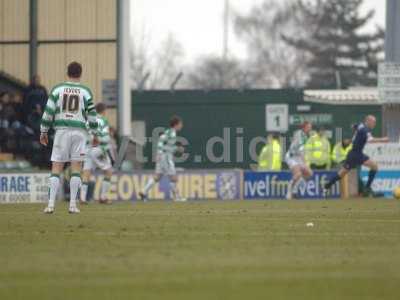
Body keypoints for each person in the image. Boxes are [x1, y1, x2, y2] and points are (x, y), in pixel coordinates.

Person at [40, 61, 98, 214]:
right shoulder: (85, 91)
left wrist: (43, 131)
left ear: (67, 72)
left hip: (62, 131)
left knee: (57, 167)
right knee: (76, 168)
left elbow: (48, 112)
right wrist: (95, 133)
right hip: (79, 132)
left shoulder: (58, 89)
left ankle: (51, 205)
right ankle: (72, 205)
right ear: (81, 73)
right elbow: (92, 116)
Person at [324, 115, 389, 196]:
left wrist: (355, 130)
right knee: (374, 166)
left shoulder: (361, 125)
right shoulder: (365, 130)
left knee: (342, 173)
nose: (374, 124)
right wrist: (383, 139)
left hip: (355, 153)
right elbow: (371, 140)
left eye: (375, 122)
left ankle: (327, 185)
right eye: (373, 122)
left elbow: (353, 125)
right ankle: (367, 188)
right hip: (356, 154)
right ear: (368, 121)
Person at [139, 116, 186, 202]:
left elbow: (164, 143)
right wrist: (161, 152)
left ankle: (144, 191)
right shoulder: (172, 133)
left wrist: (175, 149)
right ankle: (177, 197)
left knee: (157, 177)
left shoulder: (169, 132)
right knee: (174, 178)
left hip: (162, 157)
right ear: (176, 124)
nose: (181, 125)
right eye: (180, 124)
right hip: (166, 157)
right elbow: (163, 143)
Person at [80, 103, 113, 204]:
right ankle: (103, 197)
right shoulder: (103, 120)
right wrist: (106, 141)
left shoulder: (88, 121)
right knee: (108, 171)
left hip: (87, 150)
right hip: (98, 149)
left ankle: (82, 198)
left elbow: (83, 136)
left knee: (86, 174)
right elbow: (105, 137)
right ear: (104, 111)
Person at [285, 121, 313, 199]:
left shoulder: (305, 136)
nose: (310, 128)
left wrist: (304, 162)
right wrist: (305, 162)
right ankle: (289, 191)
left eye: (310, 127)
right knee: (298, 174)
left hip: (297, 157)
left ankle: (295, 189)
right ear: (304, 127)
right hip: (291, 157)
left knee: (309, 173)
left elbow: (302, 150)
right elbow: (301, 151)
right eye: (308, 127)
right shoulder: (300, 134)